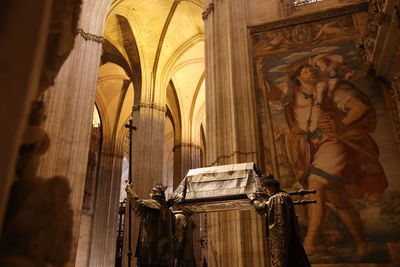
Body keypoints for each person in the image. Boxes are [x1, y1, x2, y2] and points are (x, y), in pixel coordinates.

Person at [279, 60, 388, 256]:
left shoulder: (330, 90)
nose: (311, 70)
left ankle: (309, 243)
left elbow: (359, 108)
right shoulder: (294, 97)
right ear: (297, 77)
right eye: (305, 69)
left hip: (333, 143)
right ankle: (363, 244)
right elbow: (273, 94)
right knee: (338, 200)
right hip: (314, 149)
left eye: (312, 68)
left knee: (315, 186)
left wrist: (341, 125)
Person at [248, 174, 311, 267]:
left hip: (283, 242)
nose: (265, 190)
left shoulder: (277, 197)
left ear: (272, 186)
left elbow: (261, 208)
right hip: (291, 239)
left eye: (265, 188)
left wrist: (253, 199)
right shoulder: (284, 196)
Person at [126, 183, 175, 267]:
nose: (150, 194)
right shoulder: (169, 212)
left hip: (150, 244)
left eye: (151, 192)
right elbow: (173, 231)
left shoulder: (151, 205)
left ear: (155, 193)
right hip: (165, 248)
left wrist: (129, 190)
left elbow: (137, 203)